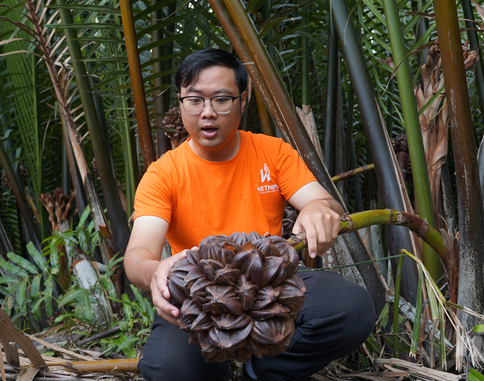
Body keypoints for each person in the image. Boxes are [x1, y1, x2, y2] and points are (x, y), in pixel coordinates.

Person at [124, 48, 377, 381]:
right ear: (181, 102)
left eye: (222, 99)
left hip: (271, 284)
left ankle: (263, 373)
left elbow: (322, 202)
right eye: (195, 100)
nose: (207, 113)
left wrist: (319, 209)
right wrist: (154, 269)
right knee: (169, 368)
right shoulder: (163, 174)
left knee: (353, 308)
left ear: (242, 101)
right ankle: (214, 366)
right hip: (202, 296)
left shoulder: (272, 152)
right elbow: (138, 254)